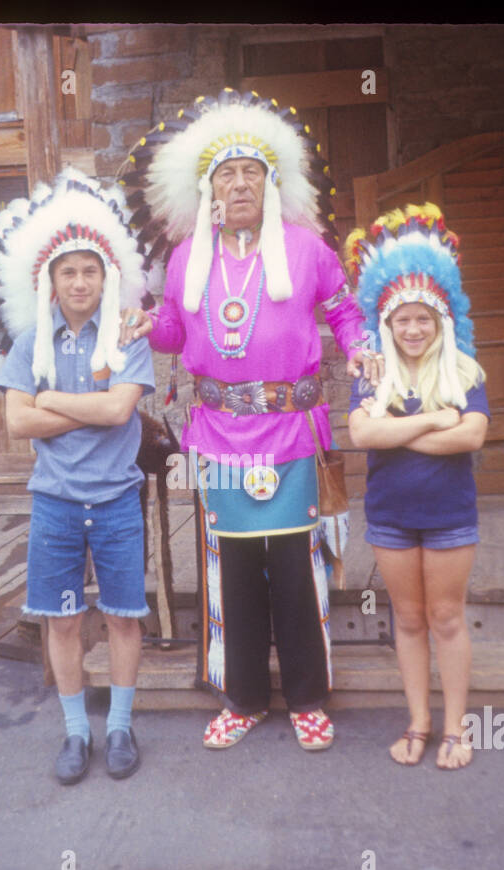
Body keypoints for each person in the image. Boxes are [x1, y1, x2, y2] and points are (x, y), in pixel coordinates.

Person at [119, 89, 383, 751]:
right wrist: (149, 325)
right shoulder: (186, 257)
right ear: (208, 190)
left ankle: (307, 698)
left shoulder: (306, 248)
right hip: (216, 435)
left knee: (295, 565)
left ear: (272, 184)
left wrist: (361, 349)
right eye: (226, 175)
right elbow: (178, 333)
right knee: (231, 569)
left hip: (291, 431)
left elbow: (345, 312)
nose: (239, 185)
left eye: (252, 174)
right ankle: (240, 697)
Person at [0, 168, 156, 785]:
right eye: (67, 271)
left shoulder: (126, 335)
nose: (79, 281)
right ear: (50, 279)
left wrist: (52, 404)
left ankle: (118, 726)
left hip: (117, 498)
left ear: (107, 275)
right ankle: (74, 734)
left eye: (89, 270)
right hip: (56, 503)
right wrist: (79, 403)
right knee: (62, 621)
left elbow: (120, 410)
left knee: (123, 617)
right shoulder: (29, 343)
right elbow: (17, 422)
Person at [342, 204, 489, 770]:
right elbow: (362, 431)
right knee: (406, 619)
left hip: (450, 515)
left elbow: (472, 435)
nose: (412, 329)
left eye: (423, 319)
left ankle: (455, 727)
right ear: (386, 322)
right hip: (391, 516)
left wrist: (395, 433)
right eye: (401, 319)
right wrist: (432, 421)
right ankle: (418, 722)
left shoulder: (465, 372)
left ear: (441, 321)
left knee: (446, 617)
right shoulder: (373, 375)